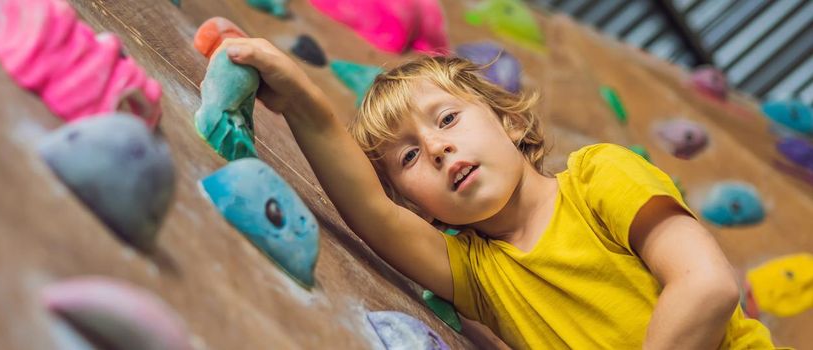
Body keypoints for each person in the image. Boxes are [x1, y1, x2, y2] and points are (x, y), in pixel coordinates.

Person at [216, 37, 778, 348]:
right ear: (415, 204)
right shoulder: (480, 276)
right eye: (409, 157)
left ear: (508, 122)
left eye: (448, 118)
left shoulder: (597, 177)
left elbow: (706, 286)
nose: (436, 149)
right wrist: (296, 98)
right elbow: (367, 207)